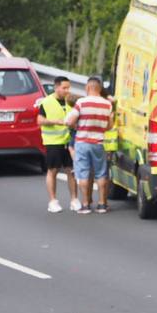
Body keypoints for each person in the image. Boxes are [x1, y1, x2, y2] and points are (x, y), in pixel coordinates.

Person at [66, 77, 115, 214]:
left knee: (83, 174)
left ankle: (86, 204)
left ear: (88, 88)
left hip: (82, 142)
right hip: (98, 143)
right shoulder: (107, 105)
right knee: (101, 173)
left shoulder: (81, 102)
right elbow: (110, 125)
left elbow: (70, 121)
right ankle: (101, 205)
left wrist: (78, 125)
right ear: (99, 89)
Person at [35, 76, 79, 213]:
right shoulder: (47, 102)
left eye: (68, 88)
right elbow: (40, 120)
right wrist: (56, 121)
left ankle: (74, 200)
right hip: (53, 142)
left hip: (69, 141)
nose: (67, 90)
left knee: (71, 171)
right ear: (56, 87)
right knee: (52, 171)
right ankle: (53, 201)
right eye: (64, 88)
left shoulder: (71, 101)